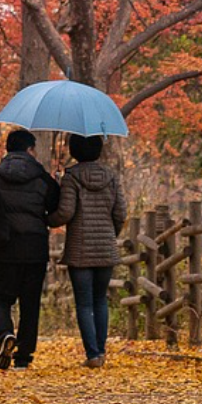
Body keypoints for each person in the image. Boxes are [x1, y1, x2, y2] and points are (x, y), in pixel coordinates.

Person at [0, 129, 61, 370]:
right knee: (30, 304)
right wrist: (57, 183)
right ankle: (23, 357)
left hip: (4, 247)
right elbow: (56, 208)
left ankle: (5, 334)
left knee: (0, 299)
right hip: (34, 249)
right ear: (30, 150)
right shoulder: (42, 180)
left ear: (8, 150)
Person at [49, 133, 126, 368]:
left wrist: (47, 218)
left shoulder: (72, 177)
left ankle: (92, 354)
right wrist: (110, 235)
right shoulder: (111, 176)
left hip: (80, 249)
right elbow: (120, 213)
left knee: (84, 303)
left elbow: (65, 213)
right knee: (100, 300)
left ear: (74, 150)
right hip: (105, 248)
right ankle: (101, 352)